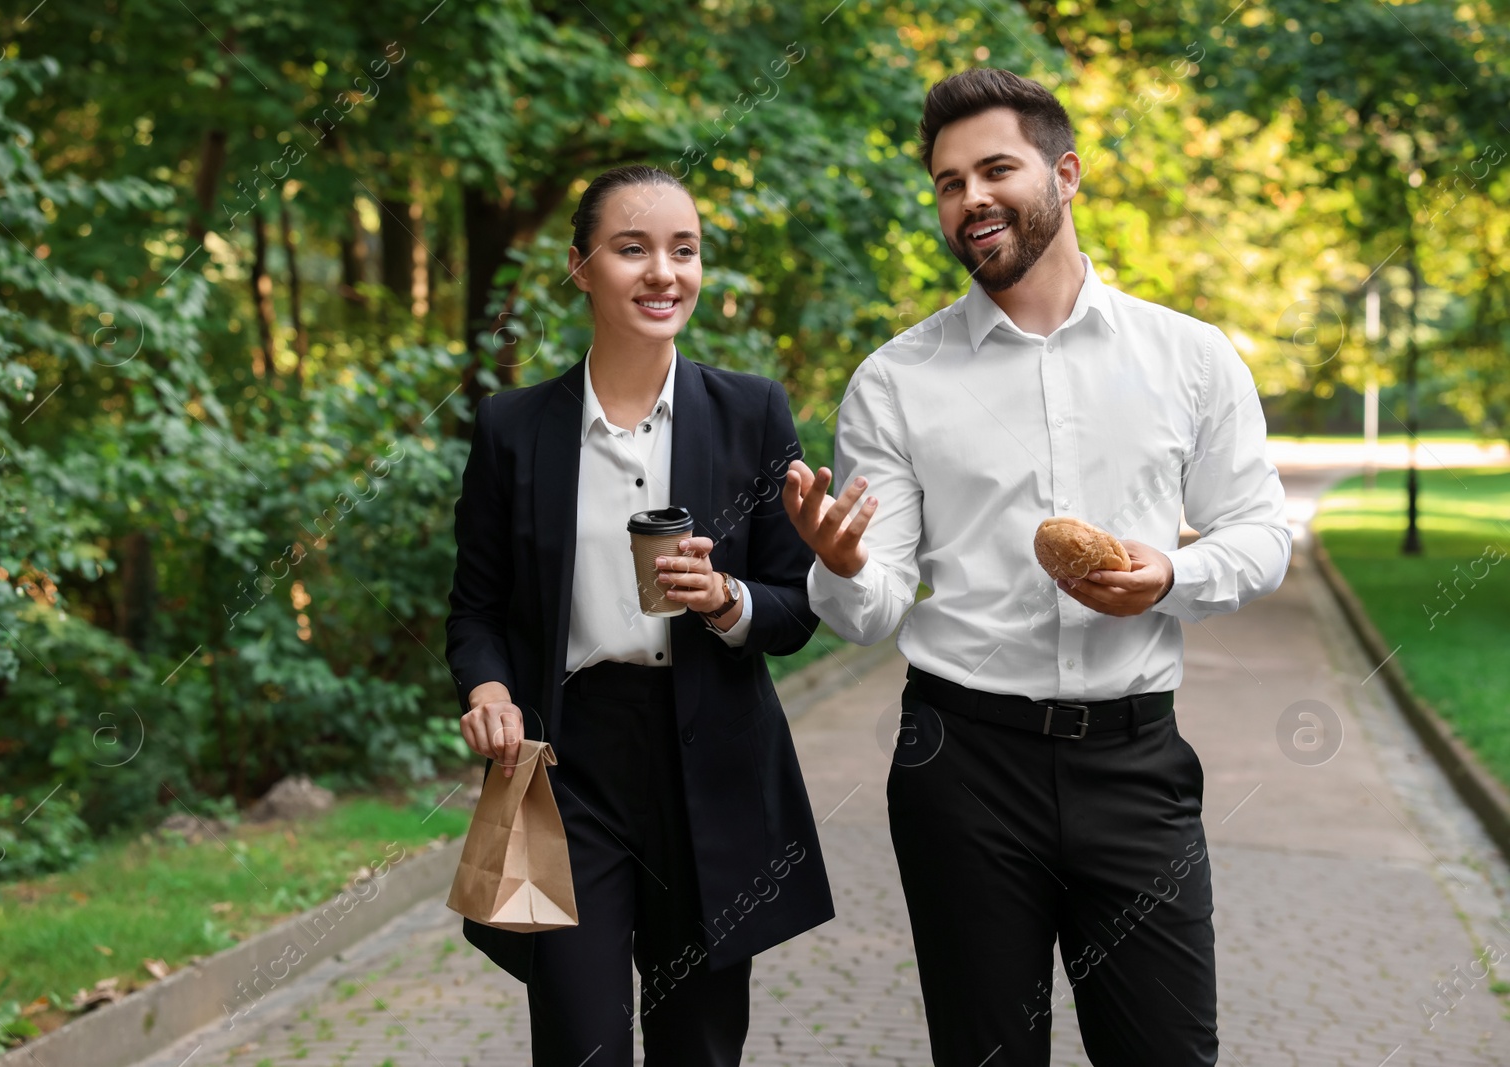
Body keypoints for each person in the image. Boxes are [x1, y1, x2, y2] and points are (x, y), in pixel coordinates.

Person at [782, 68, 1290, 1065]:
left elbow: (1260, 532)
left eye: (994, 169)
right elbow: (872, 605)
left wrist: (1168, 578)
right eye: (946, 182)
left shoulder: (1189, 357)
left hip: (1135, 763)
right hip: (961, 763)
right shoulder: (895, 380)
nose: (969, 197)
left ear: (1064, 174)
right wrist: (839, 566)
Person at [445, 163, 833, 1067]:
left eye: (684, 250)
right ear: (581, 267)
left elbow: (797, 603)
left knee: (698, 1046)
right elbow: (476, 607)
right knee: (578, 1042)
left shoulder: (751, 411)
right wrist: (489, 685)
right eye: (634, 249)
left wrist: (729, 600)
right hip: (566, 766)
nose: (665, 272)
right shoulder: (513, 426)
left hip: (712, 761)